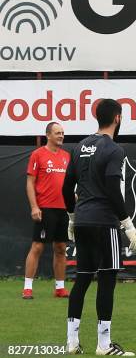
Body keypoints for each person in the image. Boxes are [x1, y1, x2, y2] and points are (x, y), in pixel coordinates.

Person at [62, 99, 136, 356]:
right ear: (117, 117)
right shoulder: (114, 149)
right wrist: (127, 224)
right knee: (107, 280)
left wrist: (72, 218)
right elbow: (111, 189)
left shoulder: (80, 146)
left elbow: (66, 188)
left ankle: (72, 343)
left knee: (82, 280)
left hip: (83, 220)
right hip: (104, 222)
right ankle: (104, 345)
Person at [23, 122, 71, 299]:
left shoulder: (67, 156)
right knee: (37, 246)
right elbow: (30, 182)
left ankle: (60, 288)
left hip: (63, 209)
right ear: (48, 135)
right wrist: (34, 206)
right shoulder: (38, 155)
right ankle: (27, 288)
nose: (61, 136)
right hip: (44, 208)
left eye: (63, 133)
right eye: (58, 133)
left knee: (60, 248)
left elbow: (70, 183)